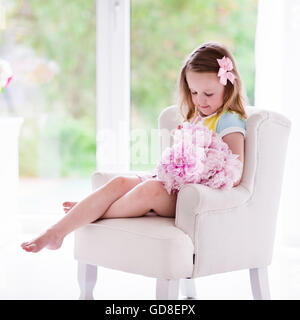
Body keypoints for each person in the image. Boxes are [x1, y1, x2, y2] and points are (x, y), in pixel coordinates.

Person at [21, 41, 247, 253]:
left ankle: (90, 213)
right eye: (194, 92)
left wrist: (199, 166)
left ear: (228, 87)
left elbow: (234, 174)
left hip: (191, 196)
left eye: (208, 94)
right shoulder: (197, 117)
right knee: (119, 182)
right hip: (172, 184)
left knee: (148, 190)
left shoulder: (229, 120)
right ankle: (56, 232)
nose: (200, 100)